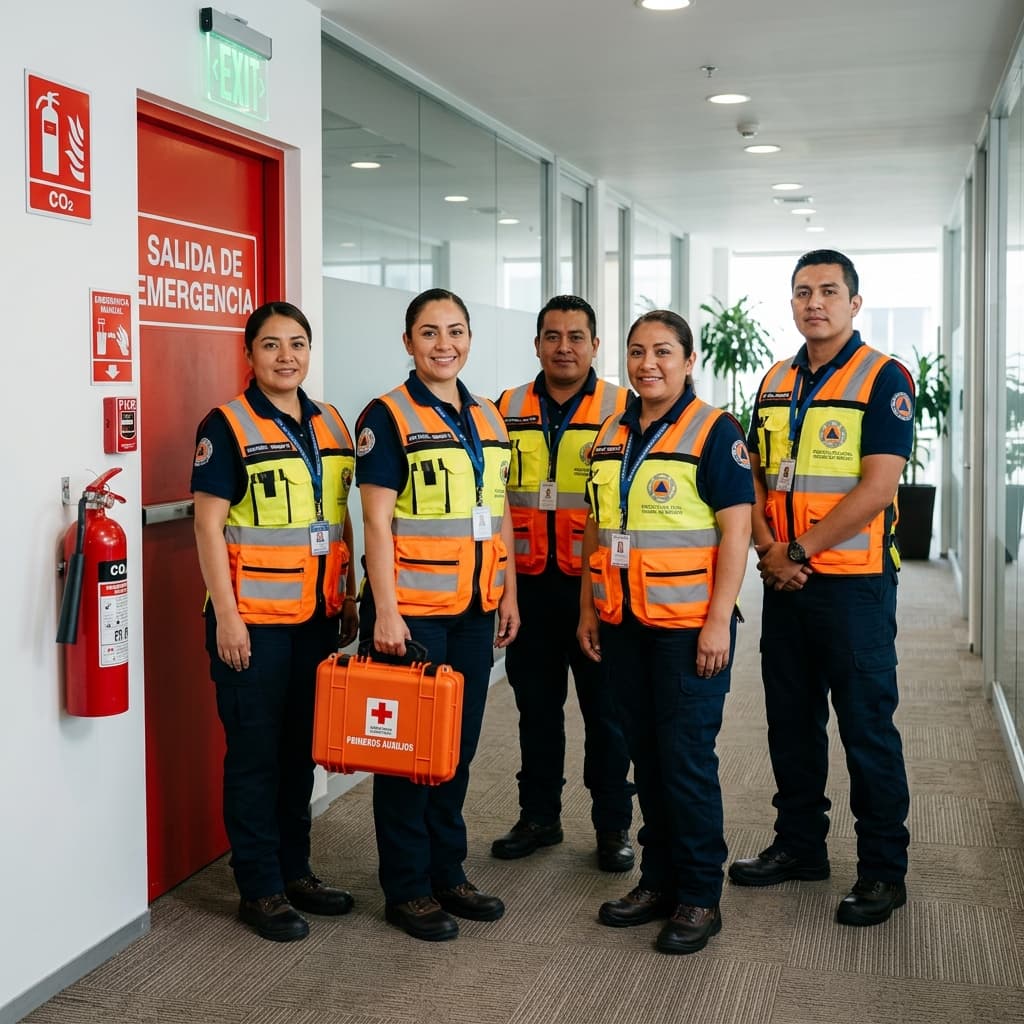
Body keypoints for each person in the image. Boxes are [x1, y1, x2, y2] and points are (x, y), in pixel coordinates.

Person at [728, 249, 913, 928]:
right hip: (786, 583)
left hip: (855, 589)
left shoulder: (882, 378)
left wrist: (797, 549)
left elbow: (878, 486)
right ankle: (800, 845)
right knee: (791, 723)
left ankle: (883, 871)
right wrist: (767, 551)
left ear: (854, 303)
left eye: (829, 292)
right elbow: (750, 474)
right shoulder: (775, 380)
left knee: (867, 729)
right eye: (803, 292)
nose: (814, 303)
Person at [578, 309, 753, 955]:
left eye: (663, 352)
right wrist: (588, 608)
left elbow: (736, 531)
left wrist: (716, 622)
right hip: (623, 621)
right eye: (636, 351)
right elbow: (597, 529)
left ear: (688, 361)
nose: (647, 363)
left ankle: (700, 896)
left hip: (687, 630)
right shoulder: (610, 433)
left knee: (684, 763)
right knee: (644, 758)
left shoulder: (714, 431)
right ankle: (657, 880)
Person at [355, 287, 520, 942]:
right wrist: (385, 613)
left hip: (474, 610)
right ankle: (408, 887)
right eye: (429, 332)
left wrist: (506, 593)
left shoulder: (487, 417)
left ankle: (449, 871)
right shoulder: (388, 416)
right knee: (406, 754)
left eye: (455, 332)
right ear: (408, 343)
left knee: (457, 747)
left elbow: (497, 512)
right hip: (411, 619)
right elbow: (375, 521)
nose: (443, 344)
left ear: (470, 340)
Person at [191, 301, 359, 943]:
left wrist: (345, 595)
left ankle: (296, 871)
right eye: (270, 345)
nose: (285, 356)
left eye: (296, 344)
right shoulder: (227, 425)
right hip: (252, 625)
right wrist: (227, 618)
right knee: (256, 756)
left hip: (315, 619)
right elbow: (208, 527)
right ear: (250, 355)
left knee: (299, 753)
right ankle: (258, 886)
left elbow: (336, 515)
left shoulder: (331, 423)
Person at [491, 296, 636, 872]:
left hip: (597, 588)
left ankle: (612, 827)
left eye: (577, 337)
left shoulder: (624, 408)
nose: (564, 347)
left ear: (596, 346)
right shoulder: (504, 408)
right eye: (552, 337)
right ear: (536, 345)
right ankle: (539, 817)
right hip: (528, 585)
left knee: (607, 713)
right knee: (536, 709)